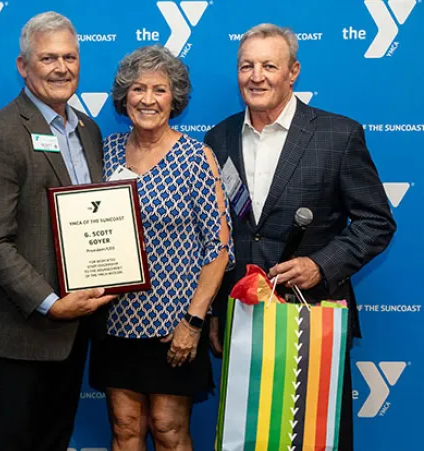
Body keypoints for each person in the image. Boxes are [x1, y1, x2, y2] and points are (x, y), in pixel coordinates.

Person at [204, 23, 396, 449]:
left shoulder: (338, 135)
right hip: (244, 320)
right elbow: (222, 233)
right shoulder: (218, 139)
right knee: (247, 437)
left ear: (293, 72)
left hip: (314, 318)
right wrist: (218, 311)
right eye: (246, 66)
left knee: (316, 437)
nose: (257, 77)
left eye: (269, 66)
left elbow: (377, 221)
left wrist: (320, 265)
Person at [0, 11, 115, 451]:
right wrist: (51, 304)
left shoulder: (88, 129)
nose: (62, 68)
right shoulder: (0, 132)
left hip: (79, 323)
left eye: (70, 57)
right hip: (27, 327)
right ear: (23, 66)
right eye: (48, 58)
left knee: (55, 437)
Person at [88, 45, 234, 451]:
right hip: (114, 319)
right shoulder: (105, 151)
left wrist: (194, 321)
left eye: (159, 90)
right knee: (125, 427)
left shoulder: (196, 158)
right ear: (124, 97)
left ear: (176, 98)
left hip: (174, 326)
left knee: (169, 430)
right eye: (138, 89)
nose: (147, 100)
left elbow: (219, 247)